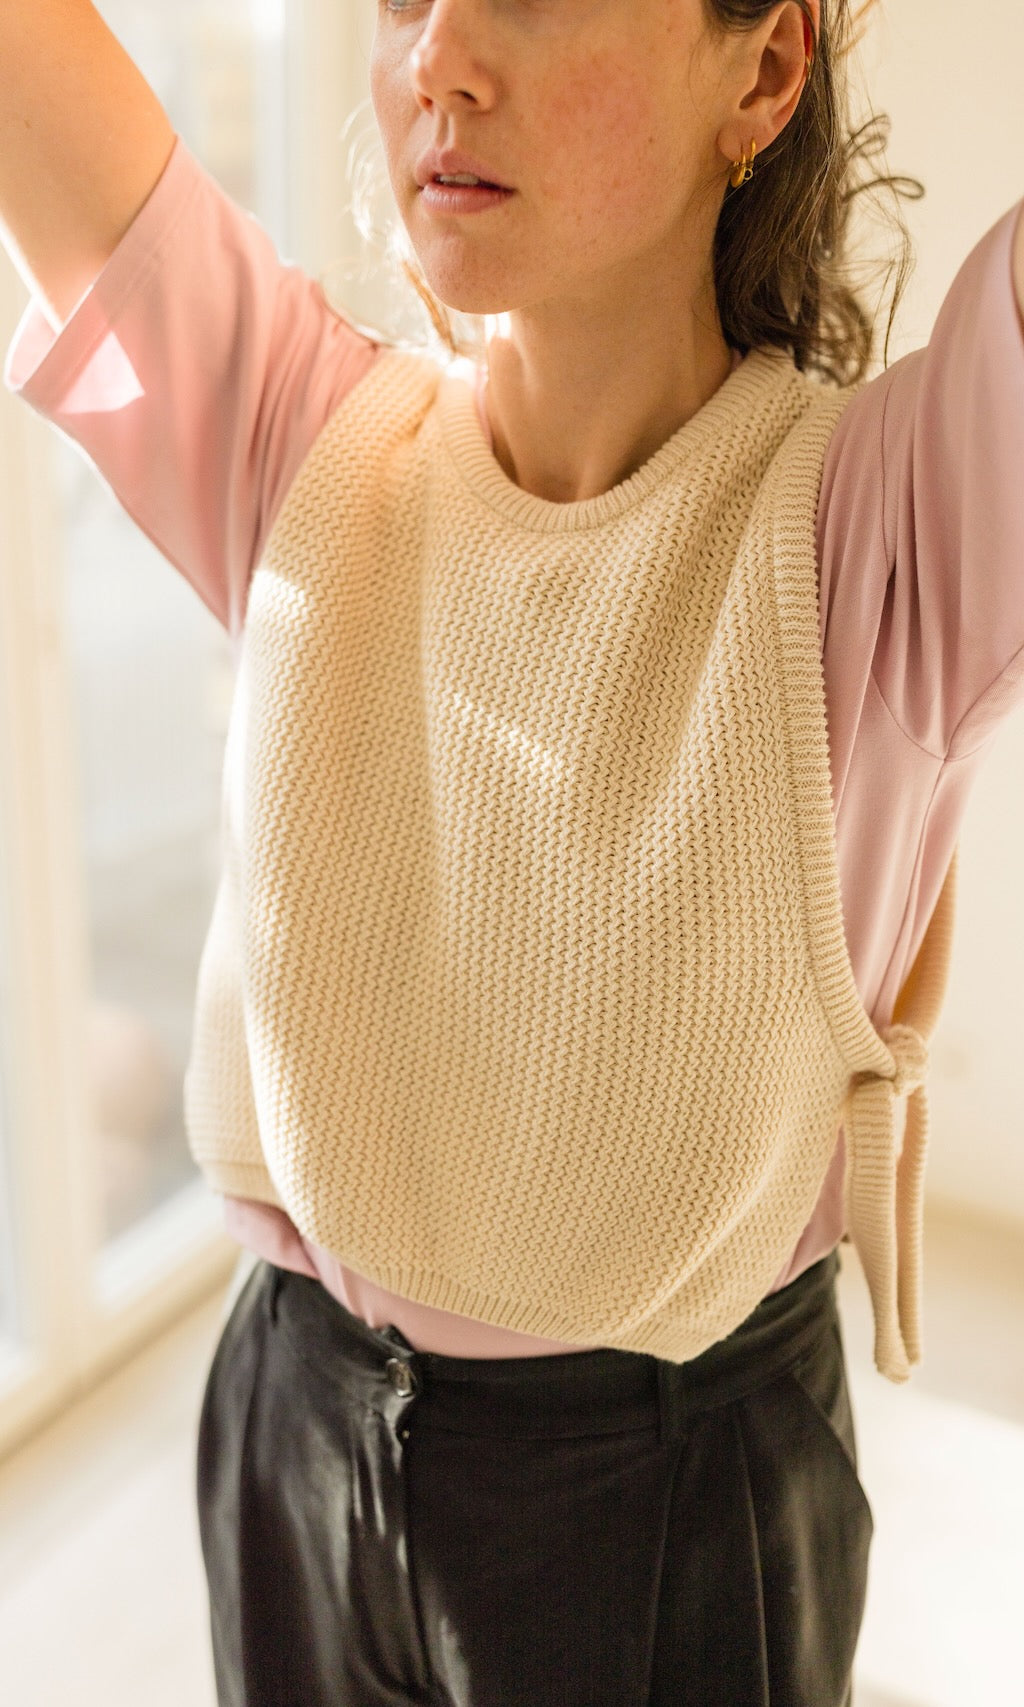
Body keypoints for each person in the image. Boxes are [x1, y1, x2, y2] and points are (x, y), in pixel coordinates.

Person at [2, 1, 1022, 1702]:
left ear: (762, 72)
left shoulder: (890, 530)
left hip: (664, 1495)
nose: (441, 56)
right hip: (289, 1417)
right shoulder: (303, 442)